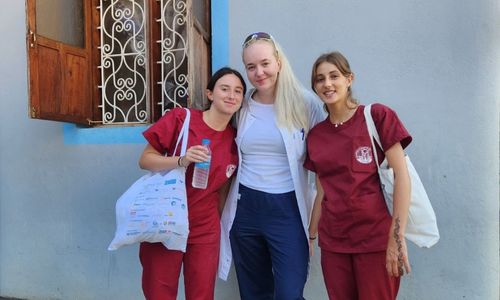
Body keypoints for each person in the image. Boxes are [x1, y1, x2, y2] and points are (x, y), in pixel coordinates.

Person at [218, 32, 326, 300]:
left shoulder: (305, 103)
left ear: (278, 61)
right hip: (246, 208)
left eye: (265, 63)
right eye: (251, 67)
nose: (259, 72)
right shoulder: (241, 105)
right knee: (254, 292)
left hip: (288, 208)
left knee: (290, 293)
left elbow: (328, 151)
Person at [304, 51, 412, 300]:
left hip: (376, 240)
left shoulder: (377, 117)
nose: (327, 84)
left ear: (349, 79)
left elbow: (401, 178)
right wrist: (310, 235)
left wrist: (396, 238)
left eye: (334, 76)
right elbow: (322, 191)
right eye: (320, 79)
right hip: (334, 244)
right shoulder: (316, 136)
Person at [137, 67, 246, 300]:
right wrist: (181, 160)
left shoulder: (236, 140)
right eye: (224, 89)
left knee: (202, 294)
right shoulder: (182, 119)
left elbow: (223, 189)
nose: (231, 95)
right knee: (159, 293)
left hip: (204, 228)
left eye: (238, 91)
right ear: (210, 94)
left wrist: (217, 222)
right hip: (166, 220)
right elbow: (145, 160)